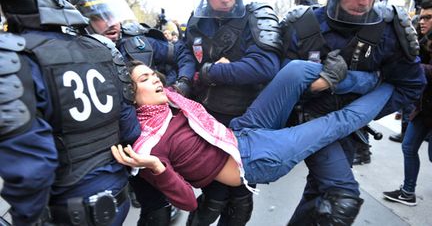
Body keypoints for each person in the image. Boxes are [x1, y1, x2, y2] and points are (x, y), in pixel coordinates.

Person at [111, 60, 393, 219]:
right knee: (337, 122)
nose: (156, 79)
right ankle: (399, 86)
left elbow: (192, 74)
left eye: (152, 73)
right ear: (131, 95)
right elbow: (188, 202)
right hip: (252, 159)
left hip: (242, 131)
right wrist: (158, 170)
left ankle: (373, 78)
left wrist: (214, 68)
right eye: (145, 79)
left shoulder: (170, 101)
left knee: (295, 70)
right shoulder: (147, 147)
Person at [280, 0, 426, 224]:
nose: (365, 0)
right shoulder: (302, 25)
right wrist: (317, 84)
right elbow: (277, 82)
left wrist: (360, 110)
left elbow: (410, 84)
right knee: (339, 198)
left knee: (322, 194)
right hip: (303, 123)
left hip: (347, 129)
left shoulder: (387, 31)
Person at [0, 0, 141, 226]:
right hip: (118, 198)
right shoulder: (103, 49)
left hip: (69, 211)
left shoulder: (15, 57)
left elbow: (31, 169)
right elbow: (130, 130)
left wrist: (28, 219)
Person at [70, 0, 196, 224]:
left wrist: (180, 85)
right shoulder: (70, 54)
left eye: (112, 13)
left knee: (159, 212)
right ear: (83, 19)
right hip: (100, 150)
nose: (112, 22)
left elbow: (182, 53)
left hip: (144, 143)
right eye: (100, 16)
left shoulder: (137, 42)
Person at [184, 0, 282, 224]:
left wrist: (211, 72)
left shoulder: (257, 16)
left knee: (241, 197)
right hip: (210, 120)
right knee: (213, 196)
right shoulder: (198, 19)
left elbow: (265, 65)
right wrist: (185, 78)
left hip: (247, 119)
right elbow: (186, 51)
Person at [383, 0, 432, 207]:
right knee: (409, 147)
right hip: (423, 109)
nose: (422, 21)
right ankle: (407, 192)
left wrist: (413, 68)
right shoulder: (421, 40)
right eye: (421, 17)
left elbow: (421, 71)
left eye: (428, 17)